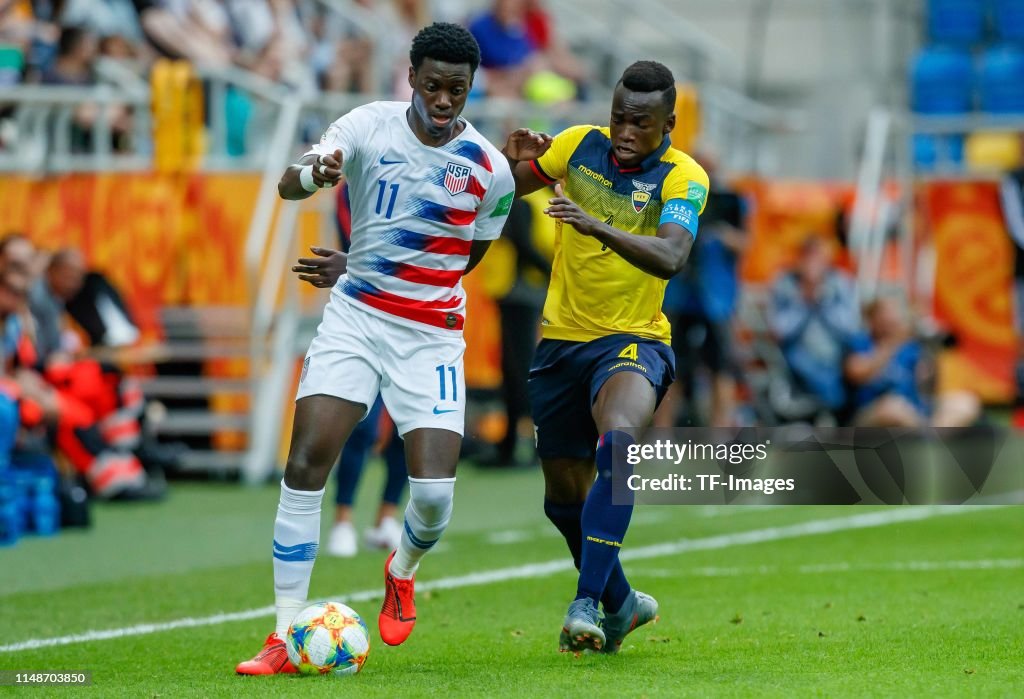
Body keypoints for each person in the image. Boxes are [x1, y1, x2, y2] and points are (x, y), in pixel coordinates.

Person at [235, 22, 515, 675]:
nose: (444, 99)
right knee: (307, 461)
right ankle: (283, 633)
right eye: (433, 84)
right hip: (356, 321)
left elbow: (465, 257)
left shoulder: (489, 170)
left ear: (470, 88)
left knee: (435, 497)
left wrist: (375, 266)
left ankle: (403, 567)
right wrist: (315, 172)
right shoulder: (365, 125)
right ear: (411, 77)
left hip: (432, 339)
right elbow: (288, 184)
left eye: (458, 89)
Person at [500, 60, 709, 653]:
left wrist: (592, 226)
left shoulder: (682, 177)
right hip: (561, 341)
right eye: (619, 118)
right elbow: (504, 186)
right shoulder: (575, 147)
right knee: (563, 498)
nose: (624, 132)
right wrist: (505, 154)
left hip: (635, 339)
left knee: (617, 443)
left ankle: (586, 603)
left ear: (668, 122)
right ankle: (620, 603)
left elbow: (671, 256)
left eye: (640, 123)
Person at [844, 296, 980, 428]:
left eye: (894, 314)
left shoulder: (911, 347)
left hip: (915, 413)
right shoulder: (861, 343)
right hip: (872, 413)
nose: (891, 319)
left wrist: (931, 348)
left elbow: (928, 386)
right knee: (892, 408)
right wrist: (893, 342)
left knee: (965, 402)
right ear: (871, 319)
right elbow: (856, 373)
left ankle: (931, 440)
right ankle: (927, 442)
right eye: (885, 315)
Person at [769, 235, 861, 418]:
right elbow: (780, 331)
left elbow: (850, 329)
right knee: (808, 365)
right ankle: (833, 407)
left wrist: (823, 302)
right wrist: (804, 301)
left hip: (836, 356)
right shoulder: (785, 283)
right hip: (796, 358)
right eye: (807, 256)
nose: (812, 263)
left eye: (817, 257)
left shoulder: (841, 282)